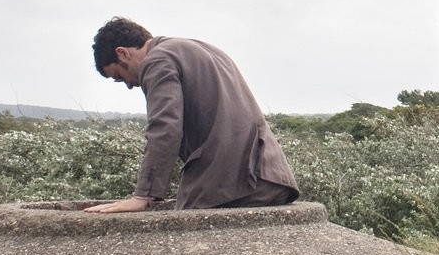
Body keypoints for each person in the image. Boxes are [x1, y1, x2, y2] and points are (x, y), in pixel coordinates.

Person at [83, 18, 299, 213]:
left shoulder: (157, 60)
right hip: (270, 177)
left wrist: (143, 195)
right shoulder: (199, 48)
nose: (130, 85)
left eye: (121, 76)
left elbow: (165, 127)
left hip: (237, 186)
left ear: (122, 53)